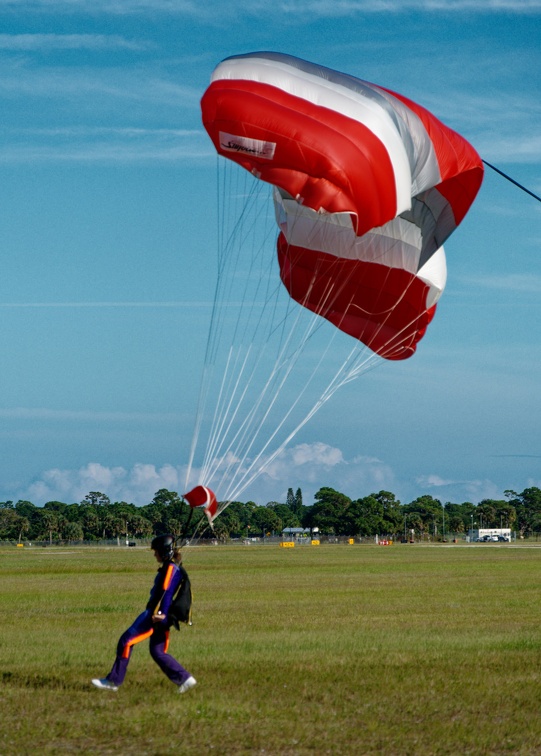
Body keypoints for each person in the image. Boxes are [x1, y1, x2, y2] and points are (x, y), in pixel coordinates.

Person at [91, 534, 196, 694]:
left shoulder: (170, 568)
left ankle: (113, 681)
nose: (154, 555)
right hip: (162, 616)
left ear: (164, 551)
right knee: (157, 652)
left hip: (155, 615)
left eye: (156, 551)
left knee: (126, 641)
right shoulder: (172, 566)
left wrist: (159, 613)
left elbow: (166, 592)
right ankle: (185, 679)